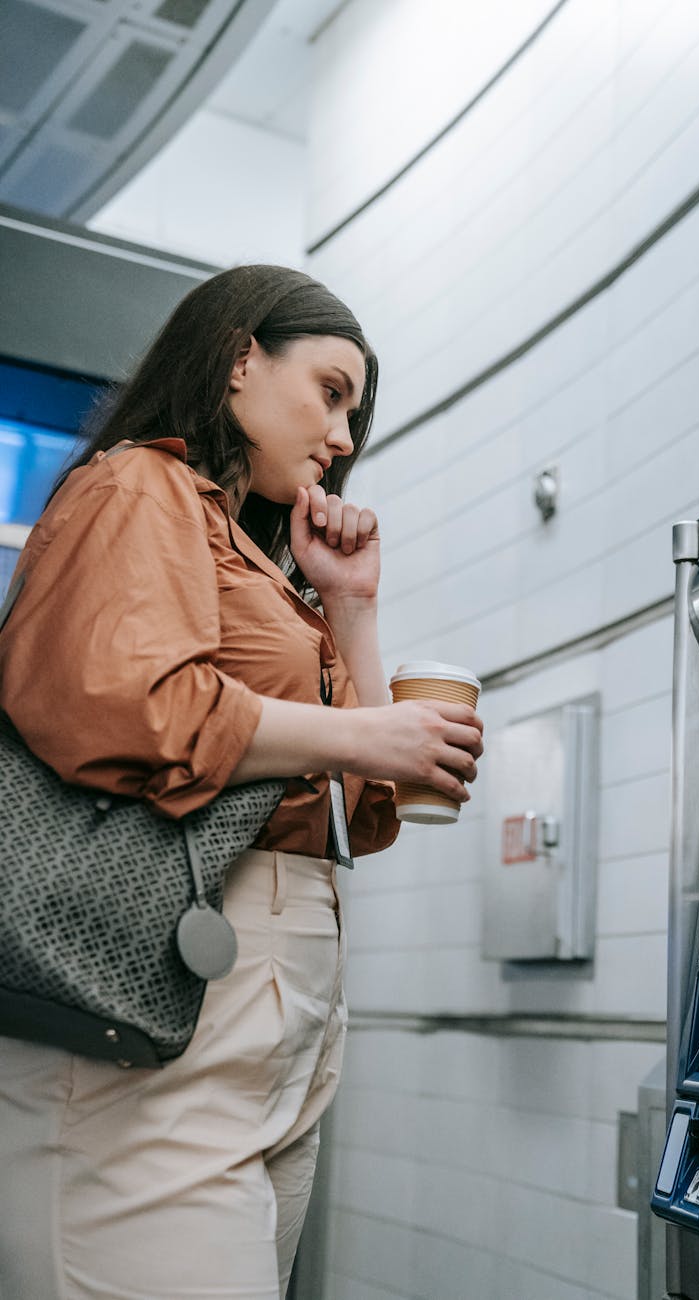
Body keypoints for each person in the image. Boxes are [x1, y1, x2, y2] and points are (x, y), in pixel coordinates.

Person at [0, 264, 484, 1300]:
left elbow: (355, 813)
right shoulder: (138, 484)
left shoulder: (254, 558)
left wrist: (348, 607)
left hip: (281, 1013)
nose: (345, 438)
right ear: (236, 359)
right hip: (157, 1003)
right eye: (332, 391)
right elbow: (121, 704)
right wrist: (368, 736)